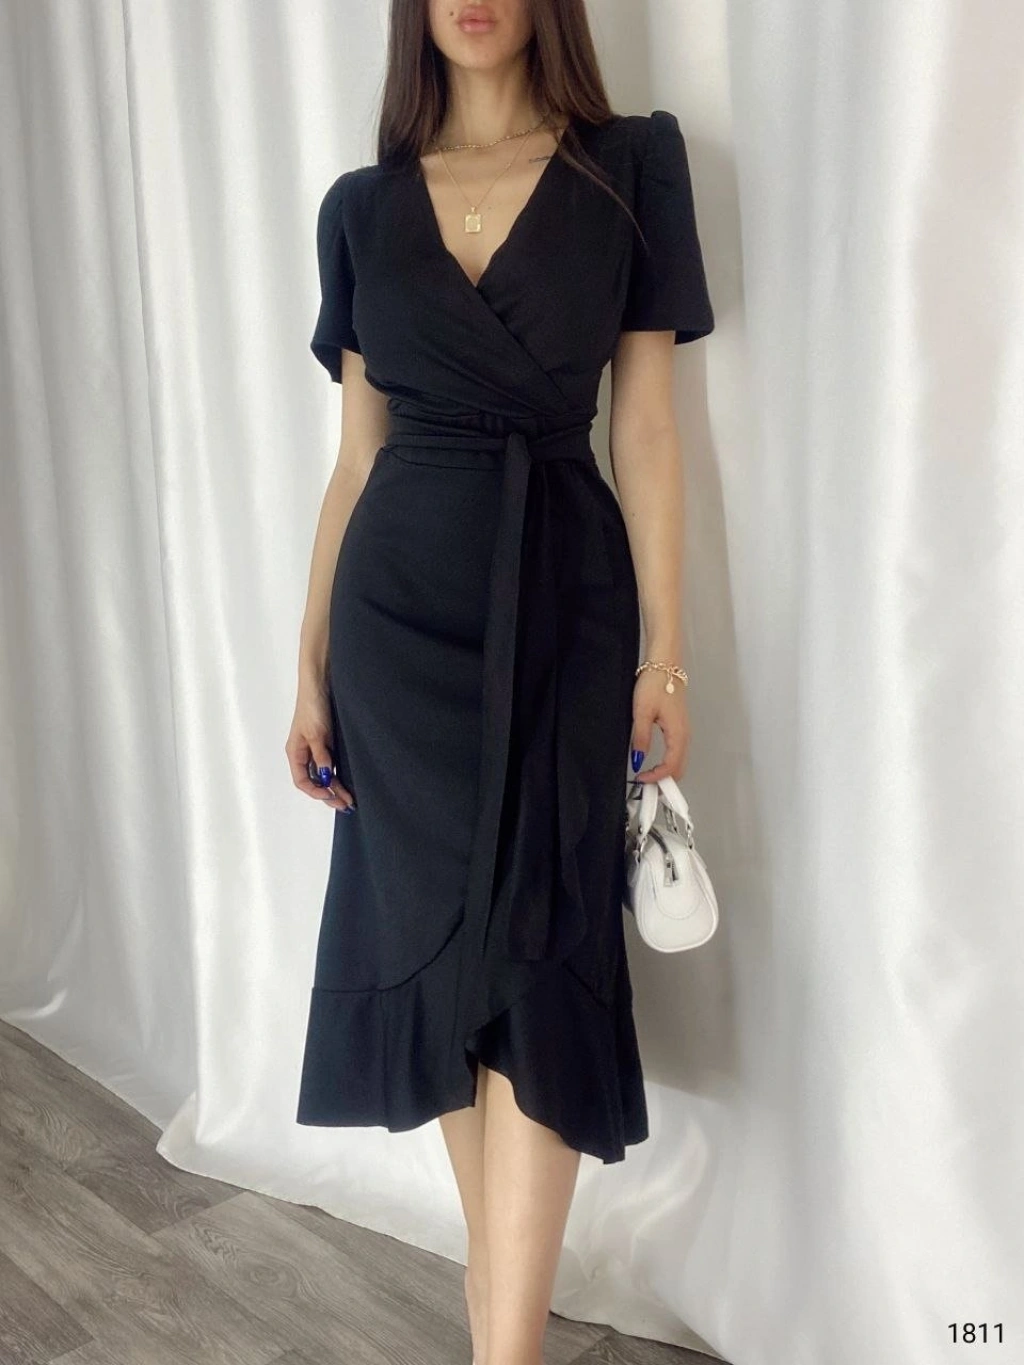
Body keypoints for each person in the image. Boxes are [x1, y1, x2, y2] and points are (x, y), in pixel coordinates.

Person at [285, 2, 714, 1362]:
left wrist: (664, 653)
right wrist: (308, 667)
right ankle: (500, 1322)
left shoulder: (630, 167)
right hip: (395, 626)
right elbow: (356, 460)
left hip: (563, 603)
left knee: (538, 951)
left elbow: (647, 426)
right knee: (439, 959)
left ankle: (503, 1343)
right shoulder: (360, 208)